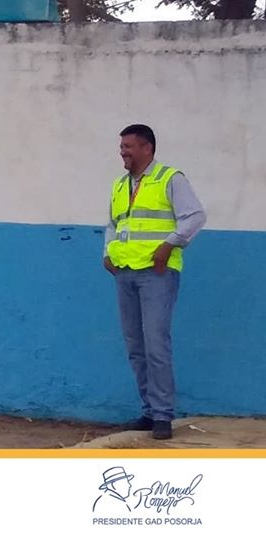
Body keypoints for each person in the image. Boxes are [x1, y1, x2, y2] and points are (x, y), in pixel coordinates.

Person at [103, 124, 206, 441]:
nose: (122, 151)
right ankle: (149, 411)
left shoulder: (170, 178)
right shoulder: (120, 185)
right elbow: (113, 224)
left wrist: (169, 245)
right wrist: (107, 252)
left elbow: (195, 216)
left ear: (147, 148)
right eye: (122, 146)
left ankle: (162, 416)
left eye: (128, 146)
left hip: (156, 273)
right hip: (125, 272)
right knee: (135, 346)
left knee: (156, 344)